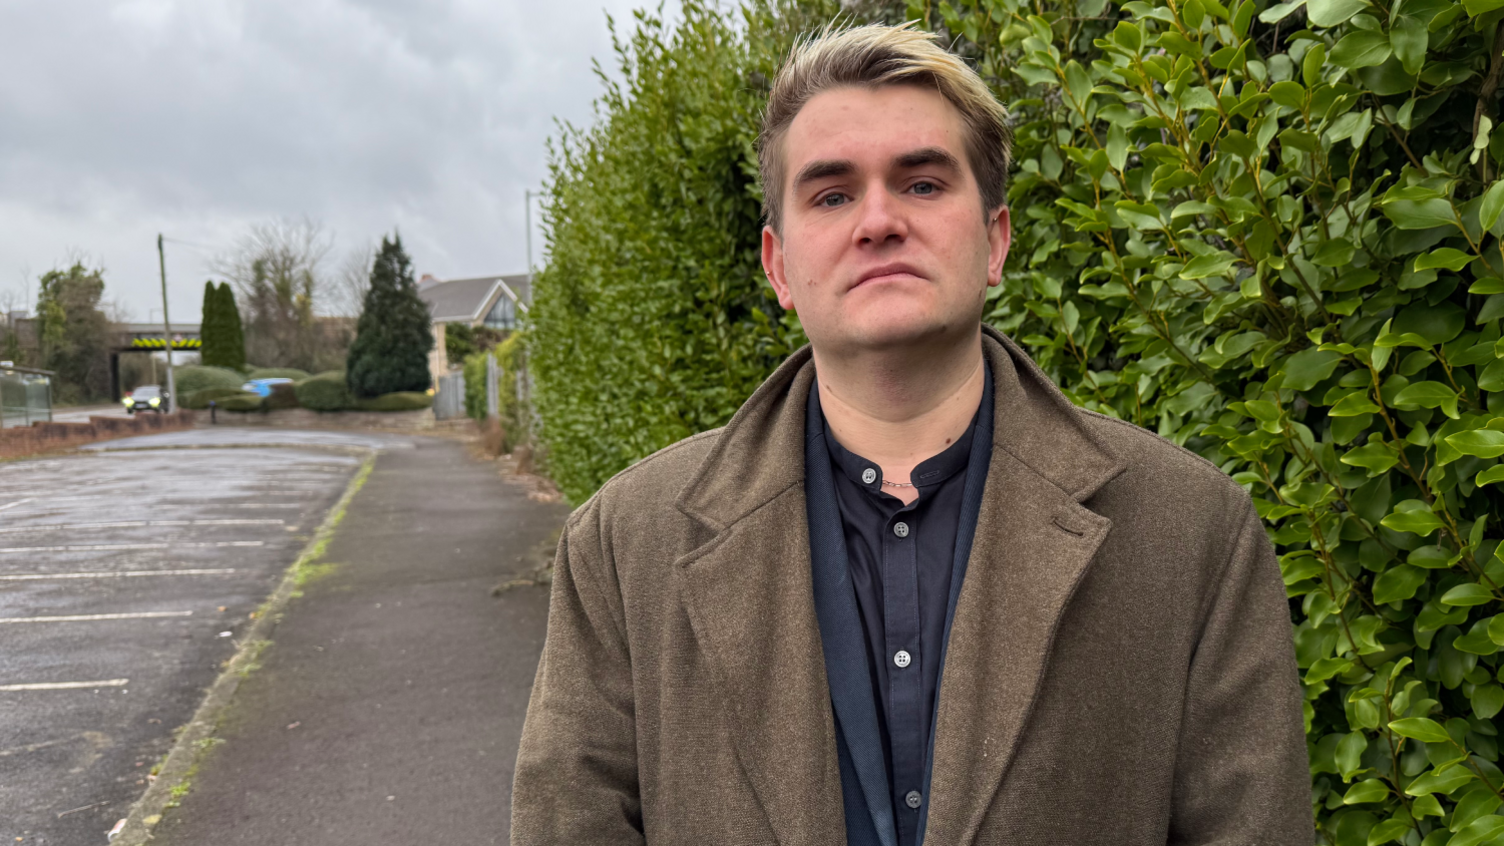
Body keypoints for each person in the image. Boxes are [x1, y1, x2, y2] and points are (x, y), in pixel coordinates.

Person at [511, 23, 1312, 846]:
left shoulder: (1192, 532)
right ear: (778, 266)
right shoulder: (623, 545)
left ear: (995, 241)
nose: (879, 220)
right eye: (831, 194)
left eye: (924, 184)